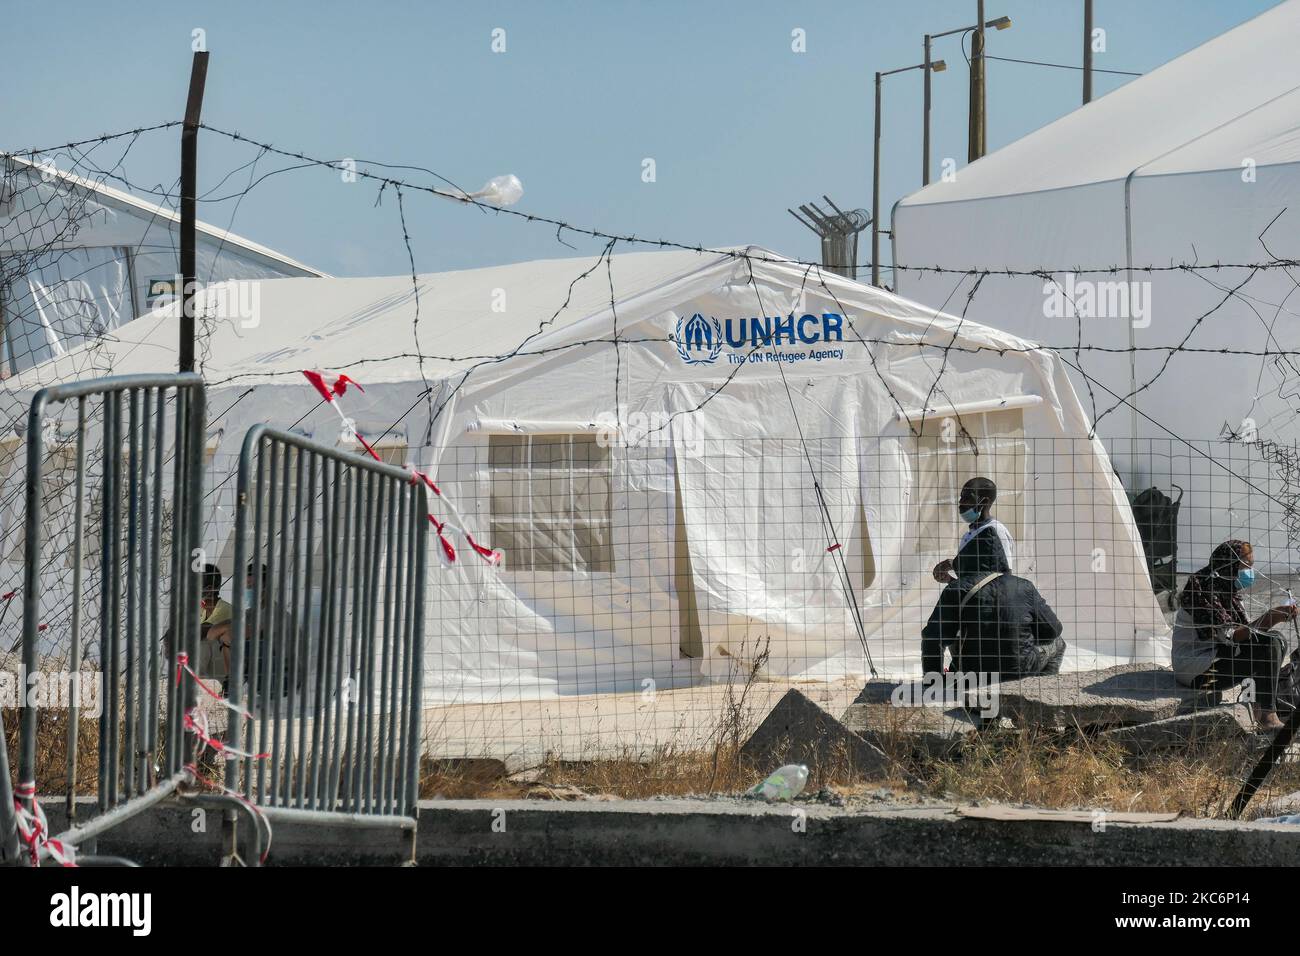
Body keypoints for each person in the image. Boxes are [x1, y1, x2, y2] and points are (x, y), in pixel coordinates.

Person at [1172, 539, 1296, 731]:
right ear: (1229, 566)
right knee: (1268, 644)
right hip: (1196, 668)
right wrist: (1271, 616)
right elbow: (1233, 636)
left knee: (1276, 640)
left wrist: (1274, 618)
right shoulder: (1203, 591)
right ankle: (1267, 715)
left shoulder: (1228, 591)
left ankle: (1257, 707)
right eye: (1245, 566)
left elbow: (1246, 634)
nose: (1249, 573)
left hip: (1217, 656)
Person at [921, 568, 1066, 678]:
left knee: (953, 633)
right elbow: (1053, 630)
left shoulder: (955, 589)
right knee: (1059, 643)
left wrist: (933, 683)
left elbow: (932, 639)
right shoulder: (1023, 585)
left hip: (973, 674)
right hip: (1017, 671)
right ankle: (1039, 693)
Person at [932, 476, 1015, 584]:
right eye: (961, 497)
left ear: (984, 502)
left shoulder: (996, 531)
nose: (961, 502)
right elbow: (971, 586)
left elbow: (1004, 578)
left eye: (967, 498)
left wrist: (953, 564)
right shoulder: (968, 536)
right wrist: (950, 580)